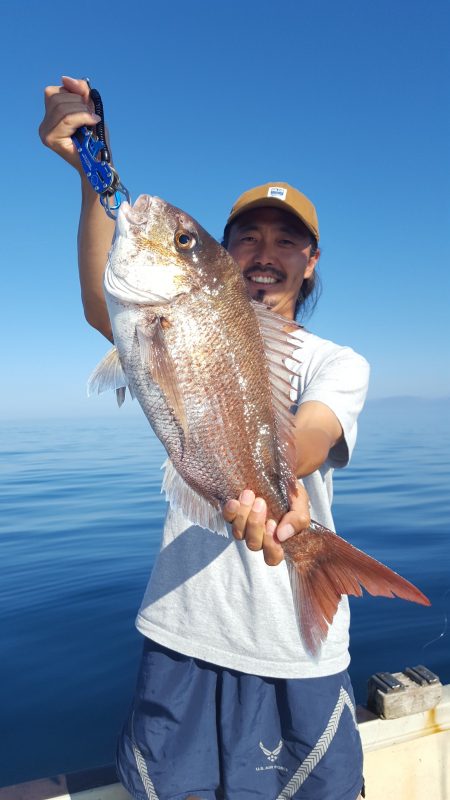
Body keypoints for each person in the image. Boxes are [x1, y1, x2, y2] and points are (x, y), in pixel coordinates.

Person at [40, 76, 369, 800]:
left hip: (297, 650)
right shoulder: (166, 314)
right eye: (246, 236)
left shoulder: (336, 362)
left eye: (286, 240)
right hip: (182, 632)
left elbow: (314, 433)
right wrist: (91, 174)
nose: (265, 251)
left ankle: (316, 563)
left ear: (311, 260)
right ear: (221, 256)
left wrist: (278, 488)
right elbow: (106, 304)